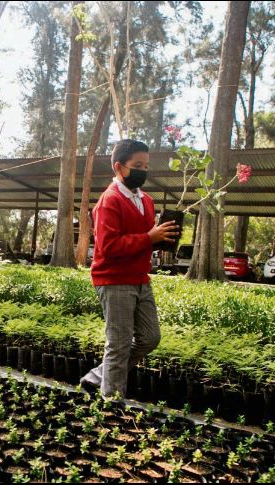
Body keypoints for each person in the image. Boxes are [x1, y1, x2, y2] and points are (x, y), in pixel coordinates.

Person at [80, 139, 179, 399]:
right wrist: (149, 238)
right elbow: (109, 247)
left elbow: (142, 239)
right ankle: (111, 404)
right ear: (119, 167)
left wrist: (160, 239)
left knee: (149, 337)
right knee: (119, 343)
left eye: (146, 166)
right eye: (137, 165)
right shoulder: (108, 201)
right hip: (114, 279)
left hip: (139, 278)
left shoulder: (146, 200)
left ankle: (98, 376)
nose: (143, 171)